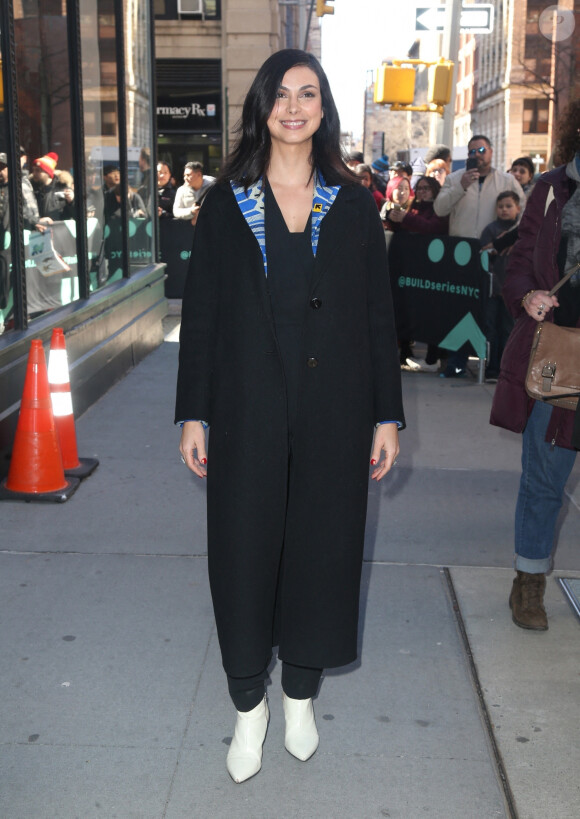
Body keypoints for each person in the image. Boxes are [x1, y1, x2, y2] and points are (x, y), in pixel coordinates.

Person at [175, 48, 405, 784]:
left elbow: (378, 318)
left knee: (322, 550)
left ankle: (300, 691)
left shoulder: (354, 203)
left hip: (336, 413)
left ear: (324, 108)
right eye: (281, 94)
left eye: (308, 94)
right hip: (246, 411)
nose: (294, 106)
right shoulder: (226, 201)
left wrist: (386, 415)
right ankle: (249, 705)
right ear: (262, 107)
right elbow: (202, 313)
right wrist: (193, 413)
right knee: (242, 553)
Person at [490, 99, 580, 631]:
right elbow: (520, 260)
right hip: (557, 355)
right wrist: (526, 296)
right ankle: (528, 583)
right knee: (544, 479)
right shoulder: (550, 189)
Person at [434, 134, 524, 377]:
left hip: (494, 257)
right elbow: (439, 208)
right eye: (472, 151)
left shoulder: (506, 181)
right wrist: (462, 185)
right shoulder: (455, 179)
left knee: (491, 313)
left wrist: (509, 241)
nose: (477, 155)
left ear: (491, 152)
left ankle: (495, 365)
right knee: (459, 308)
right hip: (461, 255)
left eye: (482, 149)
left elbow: (526, 215)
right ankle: (457, 361)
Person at [387, 175, 449, 373]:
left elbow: (432, 227)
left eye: (426, 188)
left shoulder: (440, 208)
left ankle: (433, 357)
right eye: (419, 188)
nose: (422, 191)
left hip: (432, 273)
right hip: (410, 269)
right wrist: (394, 218)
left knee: (431, 314)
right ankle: (404, 353)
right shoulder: (412, 206)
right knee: (406, 310)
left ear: (435, 190)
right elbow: (404, 227)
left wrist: (406, 218)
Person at [480, 191, 521, 381]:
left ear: (518, 208)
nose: (504, 210)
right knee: (491, 329)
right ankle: (491, 368)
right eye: (501, 206)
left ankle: (506, 370)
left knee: (508, 330)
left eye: (509, 206)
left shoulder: (522, 232)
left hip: (512, 291)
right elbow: (483, 257)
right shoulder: (490, 230)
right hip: (492, 290)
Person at [30, 152, 75, 221]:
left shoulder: (62, 188)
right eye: (33, 170)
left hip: (59, 229)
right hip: (37, 229)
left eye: (38, 170)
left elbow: (75, 214)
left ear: (48, 172)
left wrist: (71, 201)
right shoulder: (30, 188)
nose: (34, 173)